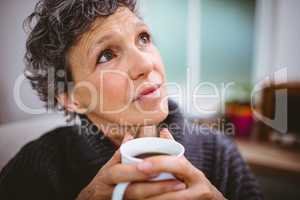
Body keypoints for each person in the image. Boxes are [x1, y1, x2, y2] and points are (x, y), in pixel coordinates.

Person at [0, 0, 263, 199]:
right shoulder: (38, 167)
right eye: (106, 55)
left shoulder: (220, 155)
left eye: (143, 38)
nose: (146, 64)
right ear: (72, 98)